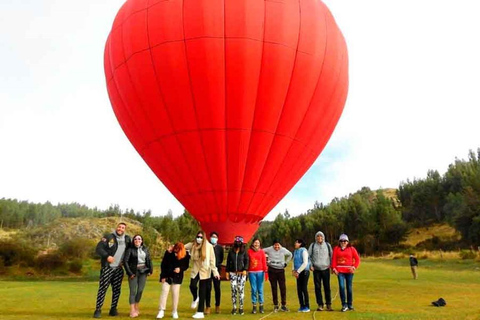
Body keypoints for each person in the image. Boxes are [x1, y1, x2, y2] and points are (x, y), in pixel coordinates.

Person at [93, 222, 132, 318]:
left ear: (124, 230)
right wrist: (107, 256)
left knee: (117, 290)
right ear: (116, 227)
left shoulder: (127, 239)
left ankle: (113, 309)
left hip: (118, 269)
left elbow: (131, 251)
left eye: (123, 228)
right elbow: (99, 248)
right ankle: (98, 310)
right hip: (107, 267)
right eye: (119, 227)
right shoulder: (109, 237)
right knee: (103, 288)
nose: (120, 229)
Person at [185, 231, 220, 319]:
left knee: (202, 291)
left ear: (204, 238)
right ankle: (195, 297)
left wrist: (215, 272)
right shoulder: (193, 245)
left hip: (205, 271)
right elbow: (182, 247)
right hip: (196, 270)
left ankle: (200, 311)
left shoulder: (209, 246)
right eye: (198, 237)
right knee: (192, 285)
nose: (199, 239)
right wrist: (174, 247)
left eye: (201, 237)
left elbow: (212, 260)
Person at [157, 242, 190, 319]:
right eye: (175, 249)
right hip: (167, 276)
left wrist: (180, 269)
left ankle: (174, 311)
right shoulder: (169, 253)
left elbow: (186, 266)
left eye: (178, 250)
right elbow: (163, 265)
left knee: (175, 294)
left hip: (177, 277)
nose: (176, 251)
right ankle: (161, 310)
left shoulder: (185, 255)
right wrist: (163, 276)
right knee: (164, 292)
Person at [124, 234, 153, 318]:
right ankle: (132, 310)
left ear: (142, 241)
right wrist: (130, 273)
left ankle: (137, 306)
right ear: (133, 241)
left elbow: (149, 260)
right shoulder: (130, 250)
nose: (137, 240)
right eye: (135, 239)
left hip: (143, 271)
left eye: (139, 239)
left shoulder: (145, 249)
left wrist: (150, 270)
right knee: (133, 291)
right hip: (133, 272)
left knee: (140, 290)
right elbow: (125, 262)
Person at [331, 234, 360, 312]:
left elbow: (357, 259)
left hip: (349, 271)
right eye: (341, 241)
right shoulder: (336, 249)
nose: (343, 242)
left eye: (345, 241)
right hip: (340, 271)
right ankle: (344, 305)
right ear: (339, 242)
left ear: (347, 242)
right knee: (342, 287)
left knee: (349, 288)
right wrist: (334, 268)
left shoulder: (351, 249)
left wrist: (354, 267)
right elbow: (333, 259)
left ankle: (350, 304)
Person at [264, 239, 292, 312]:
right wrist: (266, 261)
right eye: (275, 245)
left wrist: (286, 263)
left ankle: (283, 305)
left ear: (280, 245)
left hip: (280, 270)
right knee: (274, 288)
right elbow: (261, 251)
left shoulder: (283, 250)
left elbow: (290, 255)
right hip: (272, 270)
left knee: (282, 287)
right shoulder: (269, 249)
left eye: (278, 245)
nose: (276, 246)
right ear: (273, 245)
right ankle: (276, 305)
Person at [308, 231, 333, 311]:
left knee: (327, 287)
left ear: (323, 237)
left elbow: (332, 256)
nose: (319, 238)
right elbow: (309, 257)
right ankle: (320, 304)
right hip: (316, 270)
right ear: (316, 238)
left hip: (326, 269)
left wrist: (332, 267)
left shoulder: (328, 245)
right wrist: (310, 265)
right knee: (317, 287)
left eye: (321, 236)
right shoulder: (312, 246)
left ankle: (328, 304)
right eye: (318, 236)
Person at [226, 235, 249, 315]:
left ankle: (241, 307)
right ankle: (234, 307)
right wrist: (227, 272)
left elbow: (247, 261)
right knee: (233, 290)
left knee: (241, 290)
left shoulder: (244, 252)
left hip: (242, 274)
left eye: (239, 242)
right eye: (236, 241)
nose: (238, 243)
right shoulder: (231, 251)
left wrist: (245, 269)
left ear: (242, 243)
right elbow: (228, 262)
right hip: (233, 273)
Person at [247, 238, 268, 314]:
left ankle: (261, 306)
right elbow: (247, 261)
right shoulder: (249, 251)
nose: (256, 244)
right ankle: (254, 306)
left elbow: (264, 262)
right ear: (252, 243)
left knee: (260, 289)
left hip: (260, 272)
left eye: (258, 243)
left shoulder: (262, 252)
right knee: (253, 289)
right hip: (251, 272)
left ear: (260, 244)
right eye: (255, 243)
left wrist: (265, 272)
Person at [205, 231, 224, 314]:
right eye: (212, 236)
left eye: (215, 237)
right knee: (208, 288)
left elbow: (221, 258)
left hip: (217, 270)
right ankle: (208, 307)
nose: (214, 238)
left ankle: (217, 306)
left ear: (217, 238)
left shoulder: (220, 248)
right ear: (210, 238)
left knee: (217, 288)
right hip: (208, 270)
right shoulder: (207, 246)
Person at [292, 239, 310, 313]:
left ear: (300, 243)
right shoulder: (295, 251)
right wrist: (293, 270)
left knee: (304, 288)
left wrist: (298, 271)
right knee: (299, 289)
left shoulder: (304, 251)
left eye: (296, 242)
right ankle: (301, 305)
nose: (295, 243)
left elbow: (305, 263)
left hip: (304, 271)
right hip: (297, 272)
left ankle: (307, 306)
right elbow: (293, 261)